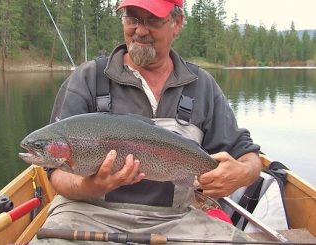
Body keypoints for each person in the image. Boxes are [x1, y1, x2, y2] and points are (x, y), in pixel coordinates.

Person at [30, 0, 262, 244]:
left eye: (152, 20)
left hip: (176, 221)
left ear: (177, 22)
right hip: (86, 214)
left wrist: (243, 172)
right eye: (133, 19)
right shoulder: (87, 79)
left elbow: (248, 156)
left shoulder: (202, 86)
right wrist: (91, 186)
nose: (140, 30)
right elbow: (55, 172)